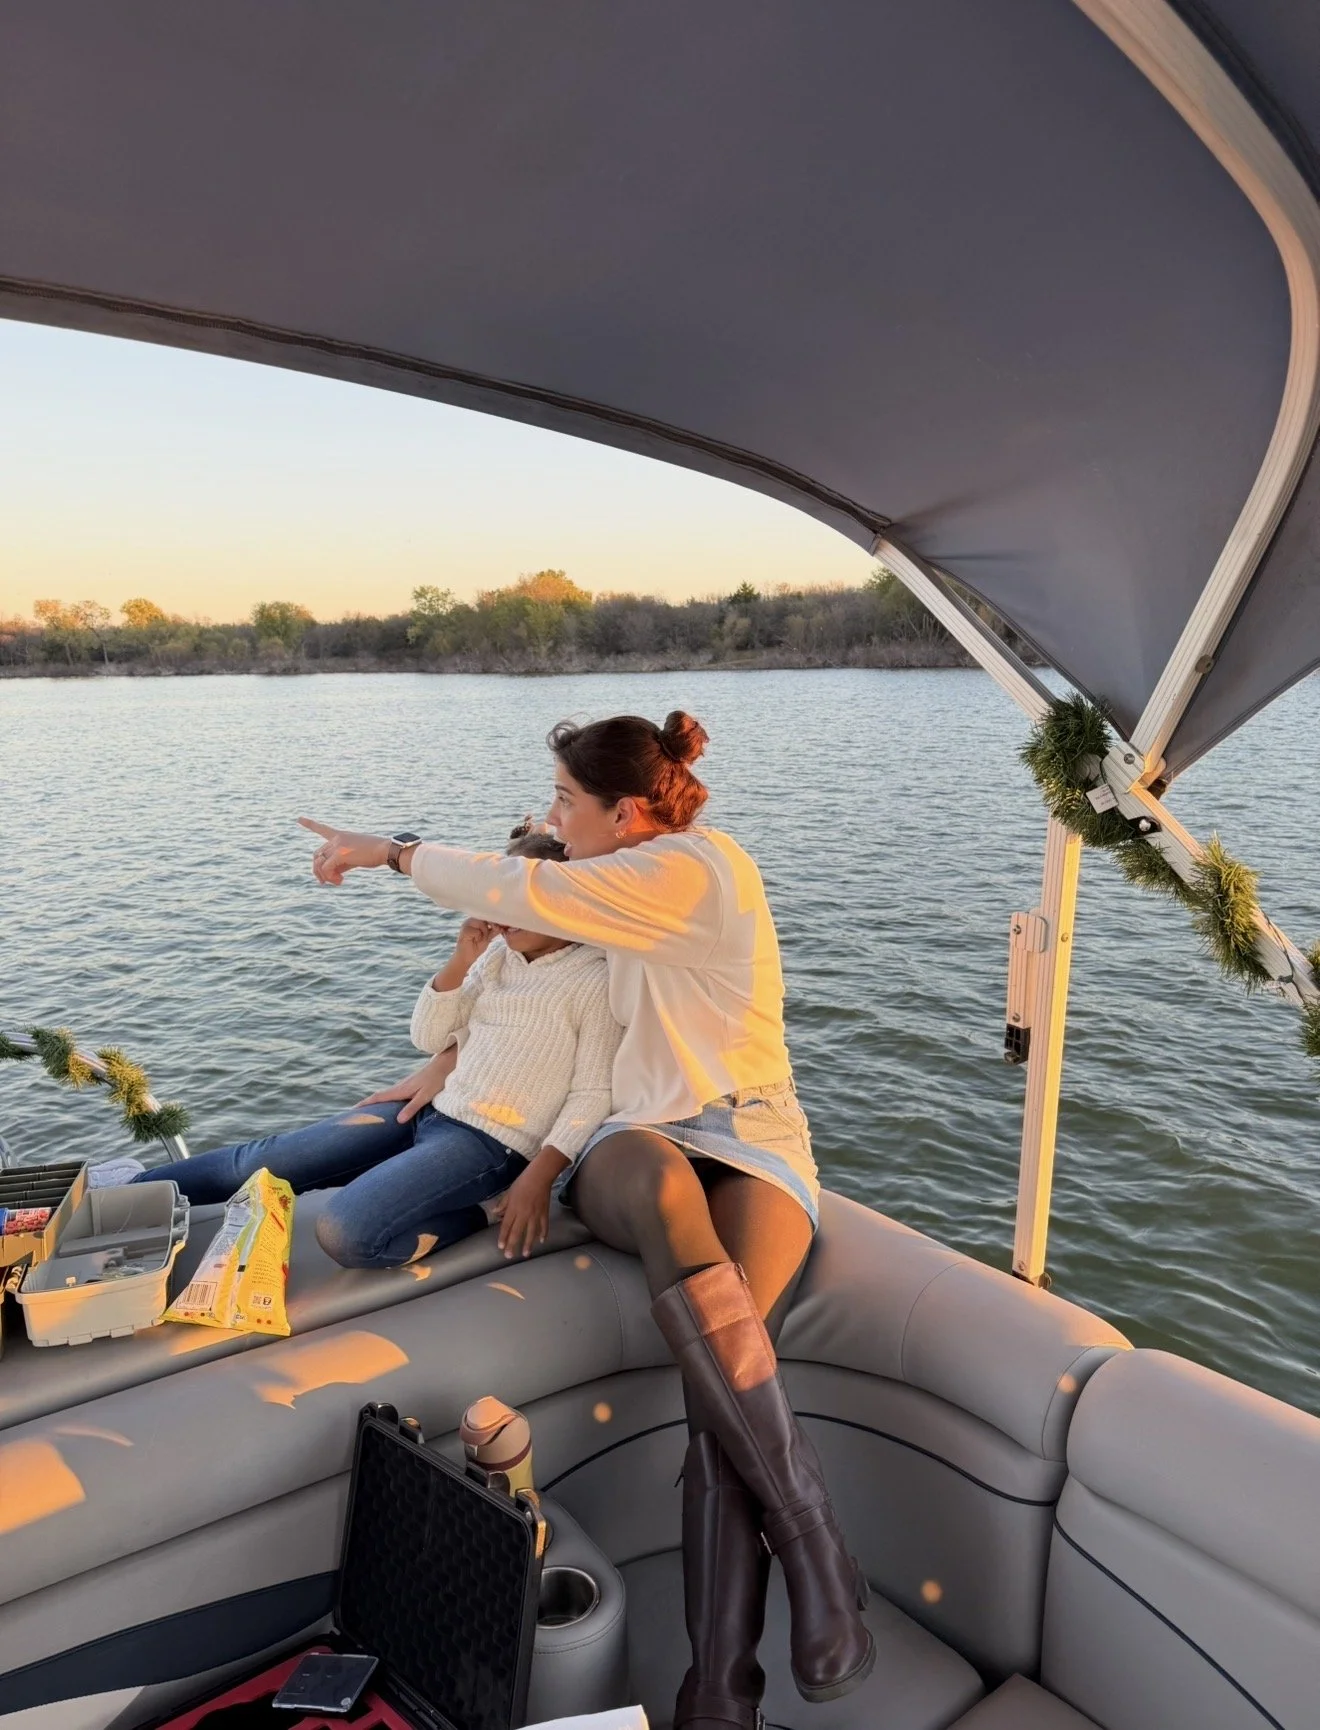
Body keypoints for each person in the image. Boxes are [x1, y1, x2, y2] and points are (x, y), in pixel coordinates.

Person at [300, 711, 876, 1729]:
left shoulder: (696, 870)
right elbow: (521, 931)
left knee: (723, 1387)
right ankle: (818, 1552)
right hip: (635, 1134)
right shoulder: (608, 881)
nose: (553, 818)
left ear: (629, 811)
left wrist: (389, 848)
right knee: (657, 1186)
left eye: (567, 800)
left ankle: (721, 1692)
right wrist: (443, 1061)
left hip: (753, 1134)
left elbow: (529, 886)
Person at [133, 826, 621, 1268]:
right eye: (497, 896)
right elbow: (428, 1039)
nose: (500, 912)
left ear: (564, 902)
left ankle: (484, 1212)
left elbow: (592, 1091)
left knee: (346, 1232)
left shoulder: (593, 977)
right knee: (258, 1160)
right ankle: (119, 1199)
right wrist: (459, 961)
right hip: (430, 1108)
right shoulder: (498, 956)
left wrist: (540, 1175)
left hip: (492, 1145)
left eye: (520, 899)